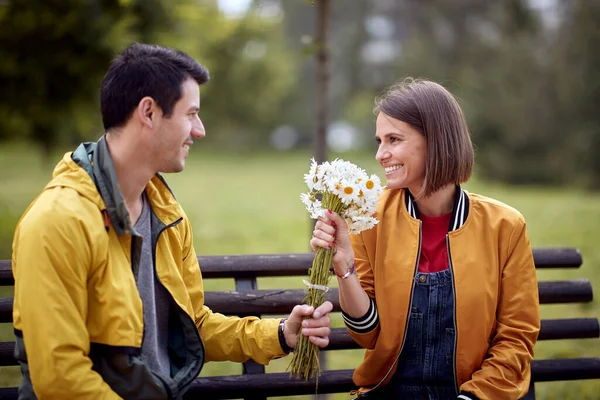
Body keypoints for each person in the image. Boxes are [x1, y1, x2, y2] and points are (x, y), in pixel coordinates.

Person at [11, 43, 332, 399]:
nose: (200, 130)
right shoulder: (58, 221)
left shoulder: (166, 214)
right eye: (191, 113)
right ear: (148, 112)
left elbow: (192, 325)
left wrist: (280, 333)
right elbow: (59, 378)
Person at [311, 78, 540, 399]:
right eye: (379, 140)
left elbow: (517, 338)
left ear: (436, 140)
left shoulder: (505, 226)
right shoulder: (368, 218)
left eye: (393, 139)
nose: (380, 154)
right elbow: (367, 335)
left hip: (480, 393)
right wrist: (345, 268)